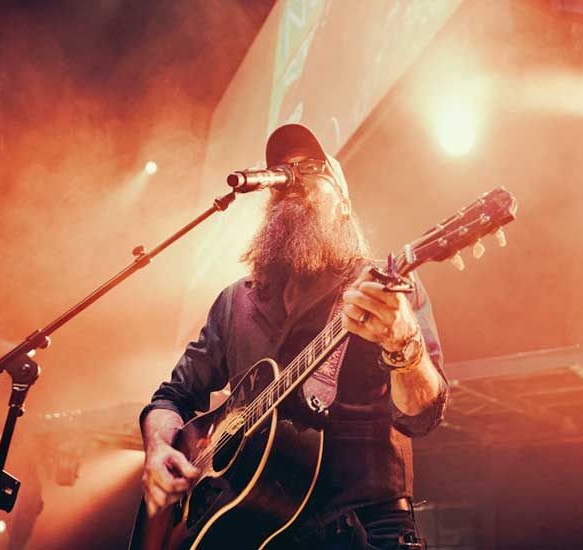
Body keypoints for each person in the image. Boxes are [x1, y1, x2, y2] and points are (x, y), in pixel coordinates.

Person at [139, 124, 448, 549]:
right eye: (283, 172)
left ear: (342, 204)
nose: (292, 180)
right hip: (248, 530)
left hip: (362, 530)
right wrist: (159, 449)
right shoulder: (234, 303)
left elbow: (421, 415)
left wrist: (406, 349)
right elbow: (171, 397)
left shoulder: (382, 289)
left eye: (310, 169)